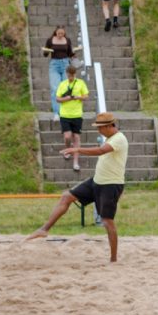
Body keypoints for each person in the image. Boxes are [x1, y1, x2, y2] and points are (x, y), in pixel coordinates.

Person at [26, 112, 128, 262]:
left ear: (108, 126)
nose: (98, 130)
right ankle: (44, 229)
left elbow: (100, 151)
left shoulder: (119, 138)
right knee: (67, 196)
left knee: (107, 221)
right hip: (97, 181)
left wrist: (77, 149)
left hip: (111, 185)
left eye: (100, 128)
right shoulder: (110, 138)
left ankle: (113, 259)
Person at [56, 65, 89, 172]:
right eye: (69, 75)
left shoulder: (80, 83)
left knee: (77, 138)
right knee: (67, 136)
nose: (70, 77)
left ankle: (76, 162)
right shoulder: (62, 84)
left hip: (77, 115)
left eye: (72, 75)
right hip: (65, 115)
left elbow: (86, 96)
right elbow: (57, 99)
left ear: (75, 74)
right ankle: (67, 149)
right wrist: (66, 98)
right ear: (66, 74)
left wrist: (78, 97)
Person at [42, 25, 76, 118]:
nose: (60, 35)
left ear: (64, 33)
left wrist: (74, 53)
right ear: (55, 32)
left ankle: (65, 111)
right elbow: (45, 54)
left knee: (66, 88)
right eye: (58, 33)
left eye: (62, 33)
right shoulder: (50, 40)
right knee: (55, 89)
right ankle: (56, 113)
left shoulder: (67, 40)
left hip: (65, 64)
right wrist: (46, 51)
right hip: (54, 65)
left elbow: (70, 53)